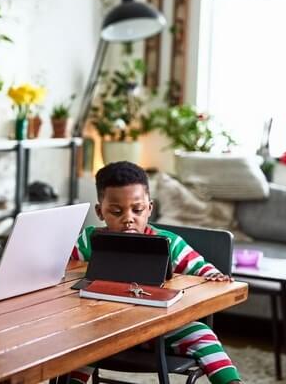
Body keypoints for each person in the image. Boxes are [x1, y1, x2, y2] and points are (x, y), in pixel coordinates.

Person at [69, 161, 242, 384]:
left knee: (202, 334)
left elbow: (204, 271)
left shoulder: (169, 243)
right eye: (116, 211)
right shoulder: (89, 240)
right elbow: (62, 267)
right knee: (74, 346)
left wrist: (213, 275)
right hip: (102, 331)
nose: (128, 218)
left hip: (158, 332)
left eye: (137, 209)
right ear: (100, 211)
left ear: (149, 208)